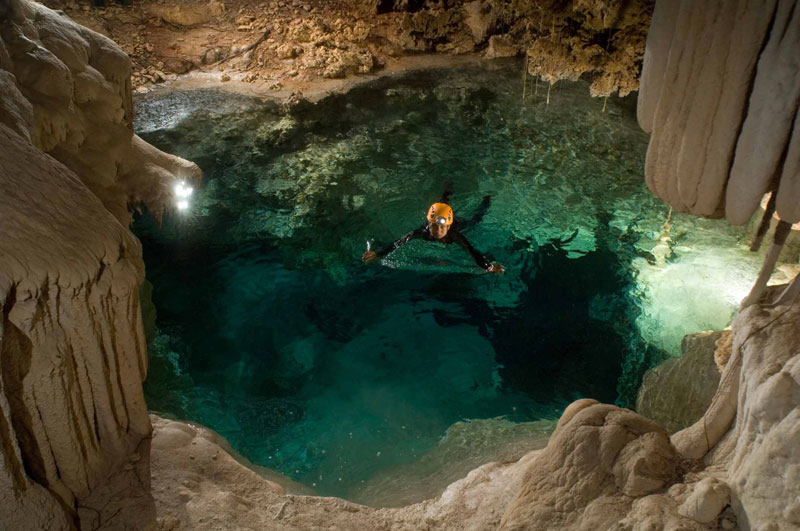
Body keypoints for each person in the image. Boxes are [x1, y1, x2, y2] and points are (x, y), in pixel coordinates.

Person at [362, 185, 505, 274]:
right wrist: (378, 253)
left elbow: (472, 251)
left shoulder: (454, 234)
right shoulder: (422, 232)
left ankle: (486, 201)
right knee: (442, 205)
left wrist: (488, 267)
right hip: (443, 216)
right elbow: (399, 242)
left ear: (447, 226)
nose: (437, 230)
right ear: (428, 224)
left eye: (441, 227)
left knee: (475, 220)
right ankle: (446, 193)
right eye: (433, 226)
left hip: (458, 222)